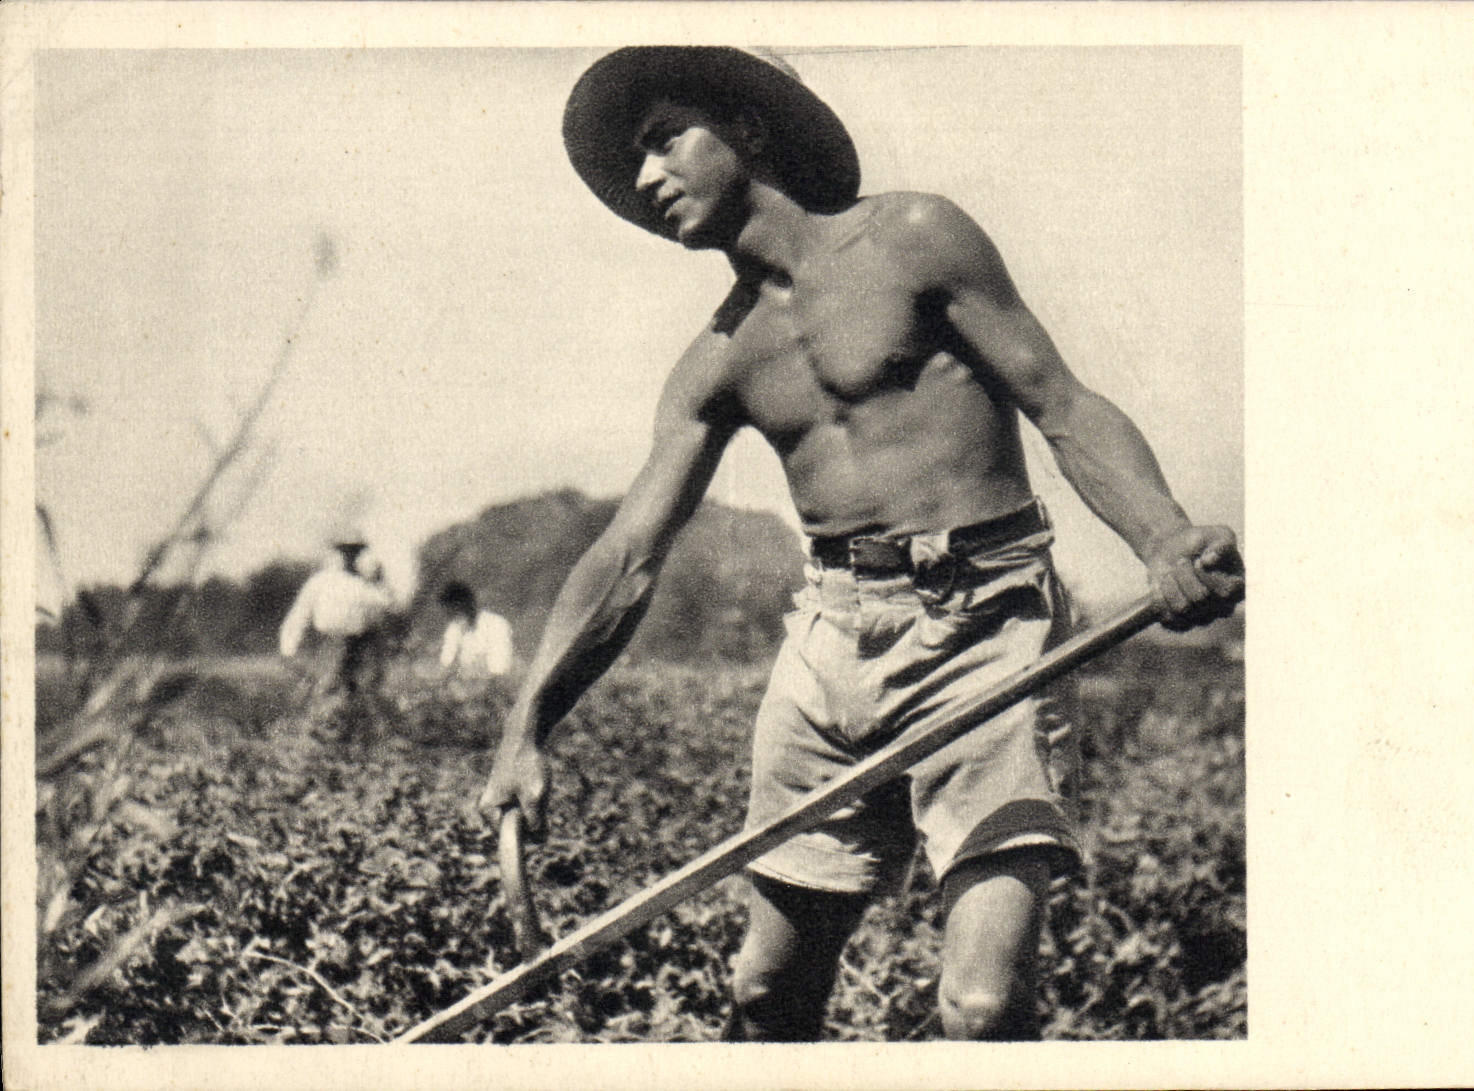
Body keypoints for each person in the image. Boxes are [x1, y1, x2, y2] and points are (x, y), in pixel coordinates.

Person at [480, 47, 1244, 1041]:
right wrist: (524, 727)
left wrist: (1163, 535)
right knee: (764, 997)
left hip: (987, 630)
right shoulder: (714, 360)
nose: (646, 175)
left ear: (748, 129)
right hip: (828, 648)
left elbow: (1058, 403)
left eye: (666, 137)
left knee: (982, 1006)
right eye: (632, 160)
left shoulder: (914, 239)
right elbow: (628, 554)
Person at [279, 538, 394, 730]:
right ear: (337, 554)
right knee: (326, 687)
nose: (350, 557)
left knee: (360, 691)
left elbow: (388, 608)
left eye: (355, 552)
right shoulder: (320, 582)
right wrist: (288, 647)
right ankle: (317, 729)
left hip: (361, 644)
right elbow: (300, 613)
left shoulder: (364, 584)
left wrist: (380, 581)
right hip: (331, 642)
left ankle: (355, 731)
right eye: (346, 552)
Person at [436, 580, 515, 678]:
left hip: (493, 684)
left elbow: (499, 669)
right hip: (463, 684)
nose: (454, 618)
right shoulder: (454, 629)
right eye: (450, 614)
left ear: (469, 604)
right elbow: (445, 664)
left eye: (456, 611)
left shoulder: (497, 625)